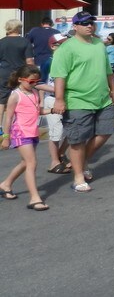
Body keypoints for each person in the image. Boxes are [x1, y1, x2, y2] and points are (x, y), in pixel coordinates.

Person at [50, 10, 114, 193]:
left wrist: (113, 89)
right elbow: (59, 76)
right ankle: (78, 177)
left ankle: (82, 161)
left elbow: (107, 69)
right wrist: (59, 99)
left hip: (102, 99)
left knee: (106, 131)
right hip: (77, 100)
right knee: (77, 140)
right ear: (75, 26)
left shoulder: (99, 45)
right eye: (85, 23)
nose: (89, 26)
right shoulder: (66, 48)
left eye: (91, 23)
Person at [0, 65, 51, 210]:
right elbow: (8, 118)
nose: (34, 84)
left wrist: (53, 110)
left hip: (32, 131)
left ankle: (6, 184)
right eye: (31, 81)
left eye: (36, 81)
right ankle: (34, 198)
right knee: (31, 163)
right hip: (20, 132)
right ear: (20, 80)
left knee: (25, 162)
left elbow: (37, 110)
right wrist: (6, 137)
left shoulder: (34, 92)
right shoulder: (15, 95)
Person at [37, 33, 71, 174]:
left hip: (70, 98)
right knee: (56, 132)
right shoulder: (48, 62)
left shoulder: (70, 60)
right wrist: (55, 90)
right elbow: (38, 83)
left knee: (74, 129)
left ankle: (61, 153)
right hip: (52, 99)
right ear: (53, 46)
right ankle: (54, 162)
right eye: (62, 45)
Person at [0, 19, 35, 139]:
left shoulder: (1, 42)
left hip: (4, 72)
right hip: (20, 73)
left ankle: (0, 128)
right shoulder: (25, 42)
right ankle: (17, 124)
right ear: (17, 28)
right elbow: (29, 61)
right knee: (20, 97)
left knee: (2, 100)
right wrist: (33, 72)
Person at [26, 17, 58, 82]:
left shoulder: (34, 31)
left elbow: (27, 43)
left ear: (41, 24)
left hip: (38, 61)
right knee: (51, 83)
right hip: (52, 61)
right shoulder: (56, 32)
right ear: (51, 24)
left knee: (39, 83)